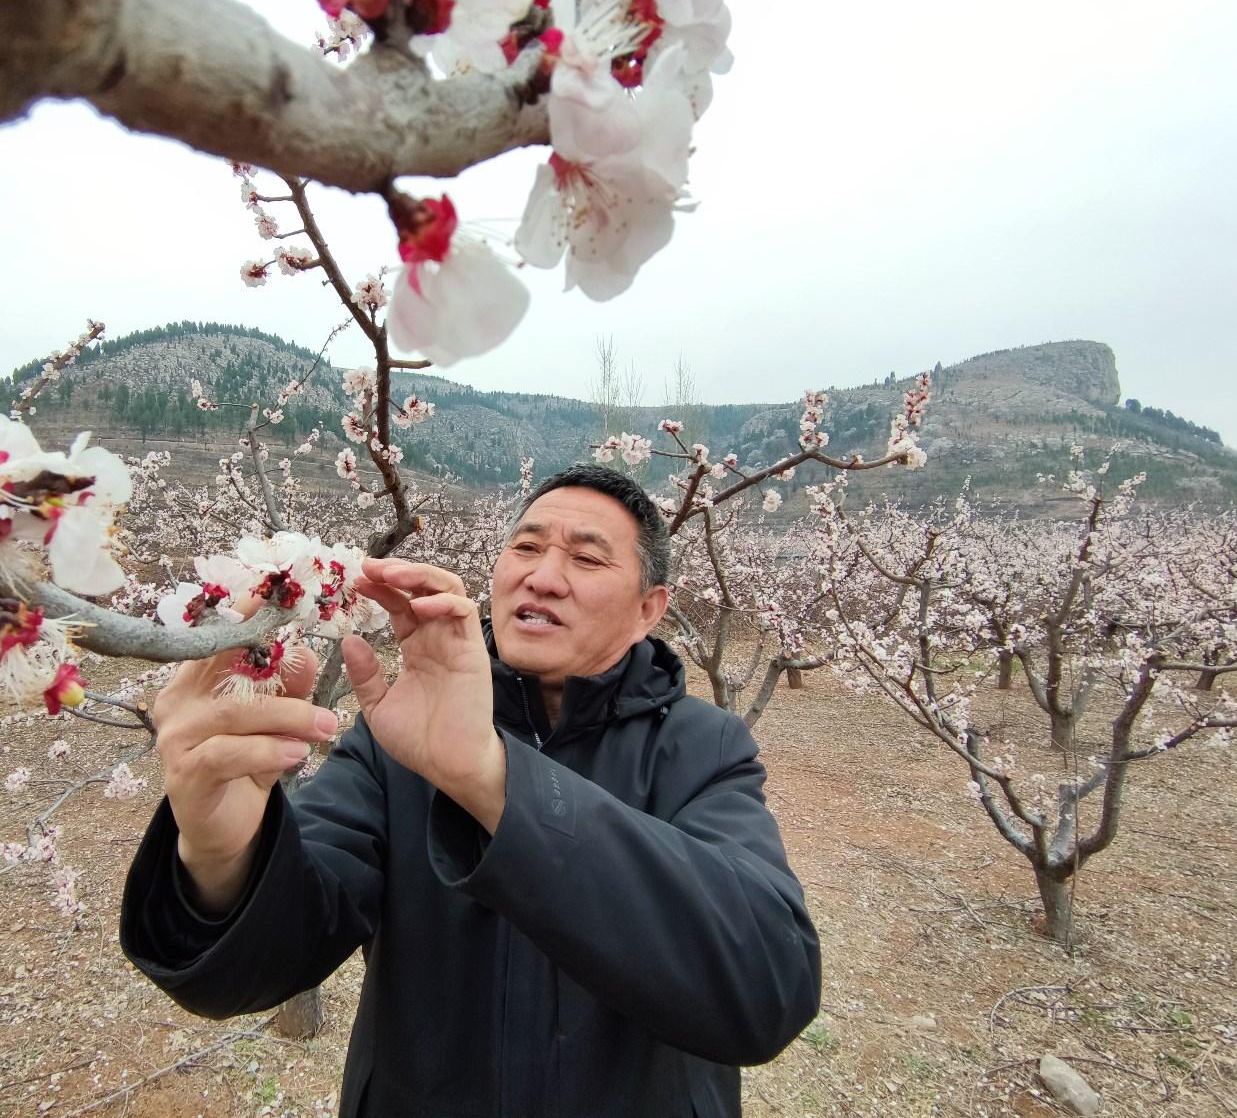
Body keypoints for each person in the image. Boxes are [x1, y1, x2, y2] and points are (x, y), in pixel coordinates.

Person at [120, 465, 821, 1117]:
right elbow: (268, 958)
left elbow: (765, 989)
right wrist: (222, 856)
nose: (543, 578)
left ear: (648, 610)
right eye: (526, 547)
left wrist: (490, 778)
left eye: (586, 557)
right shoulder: (395, 738)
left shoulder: (704, 747)